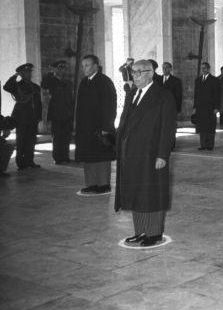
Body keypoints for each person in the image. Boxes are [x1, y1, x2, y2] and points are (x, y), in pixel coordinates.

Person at [115, 60, 176, 247]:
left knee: (152, 193)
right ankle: (141, 231)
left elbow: (167, 128)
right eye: (133, 72)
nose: (134, 76)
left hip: (151, 153)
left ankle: (154, 233)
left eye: (138, 72)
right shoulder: (133, 93)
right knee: (137, 192)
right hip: (132, 152)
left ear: (150, 73)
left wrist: (162, 155)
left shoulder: (163, 95)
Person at [75, 55, 117, 194]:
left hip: (100, 128)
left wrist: (107, 127)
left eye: (87, 65)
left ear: (95, 66)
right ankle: (92, 184)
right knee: (89, 156)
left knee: (101, 156)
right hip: (86, 128)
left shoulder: (104, 82)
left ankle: (104, 184)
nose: (84, 68)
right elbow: (79, 107)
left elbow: (110, 106)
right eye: (83, 66)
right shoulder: (84, 82)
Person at [3, 63, 42, 170]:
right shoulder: (17, 85)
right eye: (25, 72)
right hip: (21, 117)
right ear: (21, 73)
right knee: (21, 140)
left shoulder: (35, 87)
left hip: (33, 117)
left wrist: (39, 117)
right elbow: (6, 87)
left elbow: (38, 103)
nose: (28, 74)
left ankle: (30, 161)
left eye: (29, 72)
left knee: (31, 140)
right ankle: (21, 163)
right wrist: (16, 76)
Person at [41, 60, 74, 164]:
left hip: (67, 114)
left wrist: (72, 113)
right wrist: (51, 72)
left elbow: (70, 98)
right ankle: (58, 158)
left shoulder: (67, 82)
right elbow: (44, 85)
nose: (62, 70)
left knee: (66, 137)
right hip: (56, 114)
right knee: (57, 138)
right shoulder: (50, 81)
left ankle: (65, 156)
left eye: (63, 68)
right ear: (54, 69)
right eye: (59, 68)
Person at [193, 62, 220, 151]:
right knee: (201, 126)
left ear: (208, 69)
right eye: (202, 68)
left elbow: (217, 94)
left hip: (210, 107)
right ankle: (203, 144)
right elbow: (195, 95)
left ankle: (210, 145)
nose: (203, 70)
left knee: (210, 126)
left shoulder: (214, 80)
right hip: (200, 107)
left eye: (204, 68)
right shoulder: (198, 80)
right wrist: (194, 107)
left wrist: (216, 107)